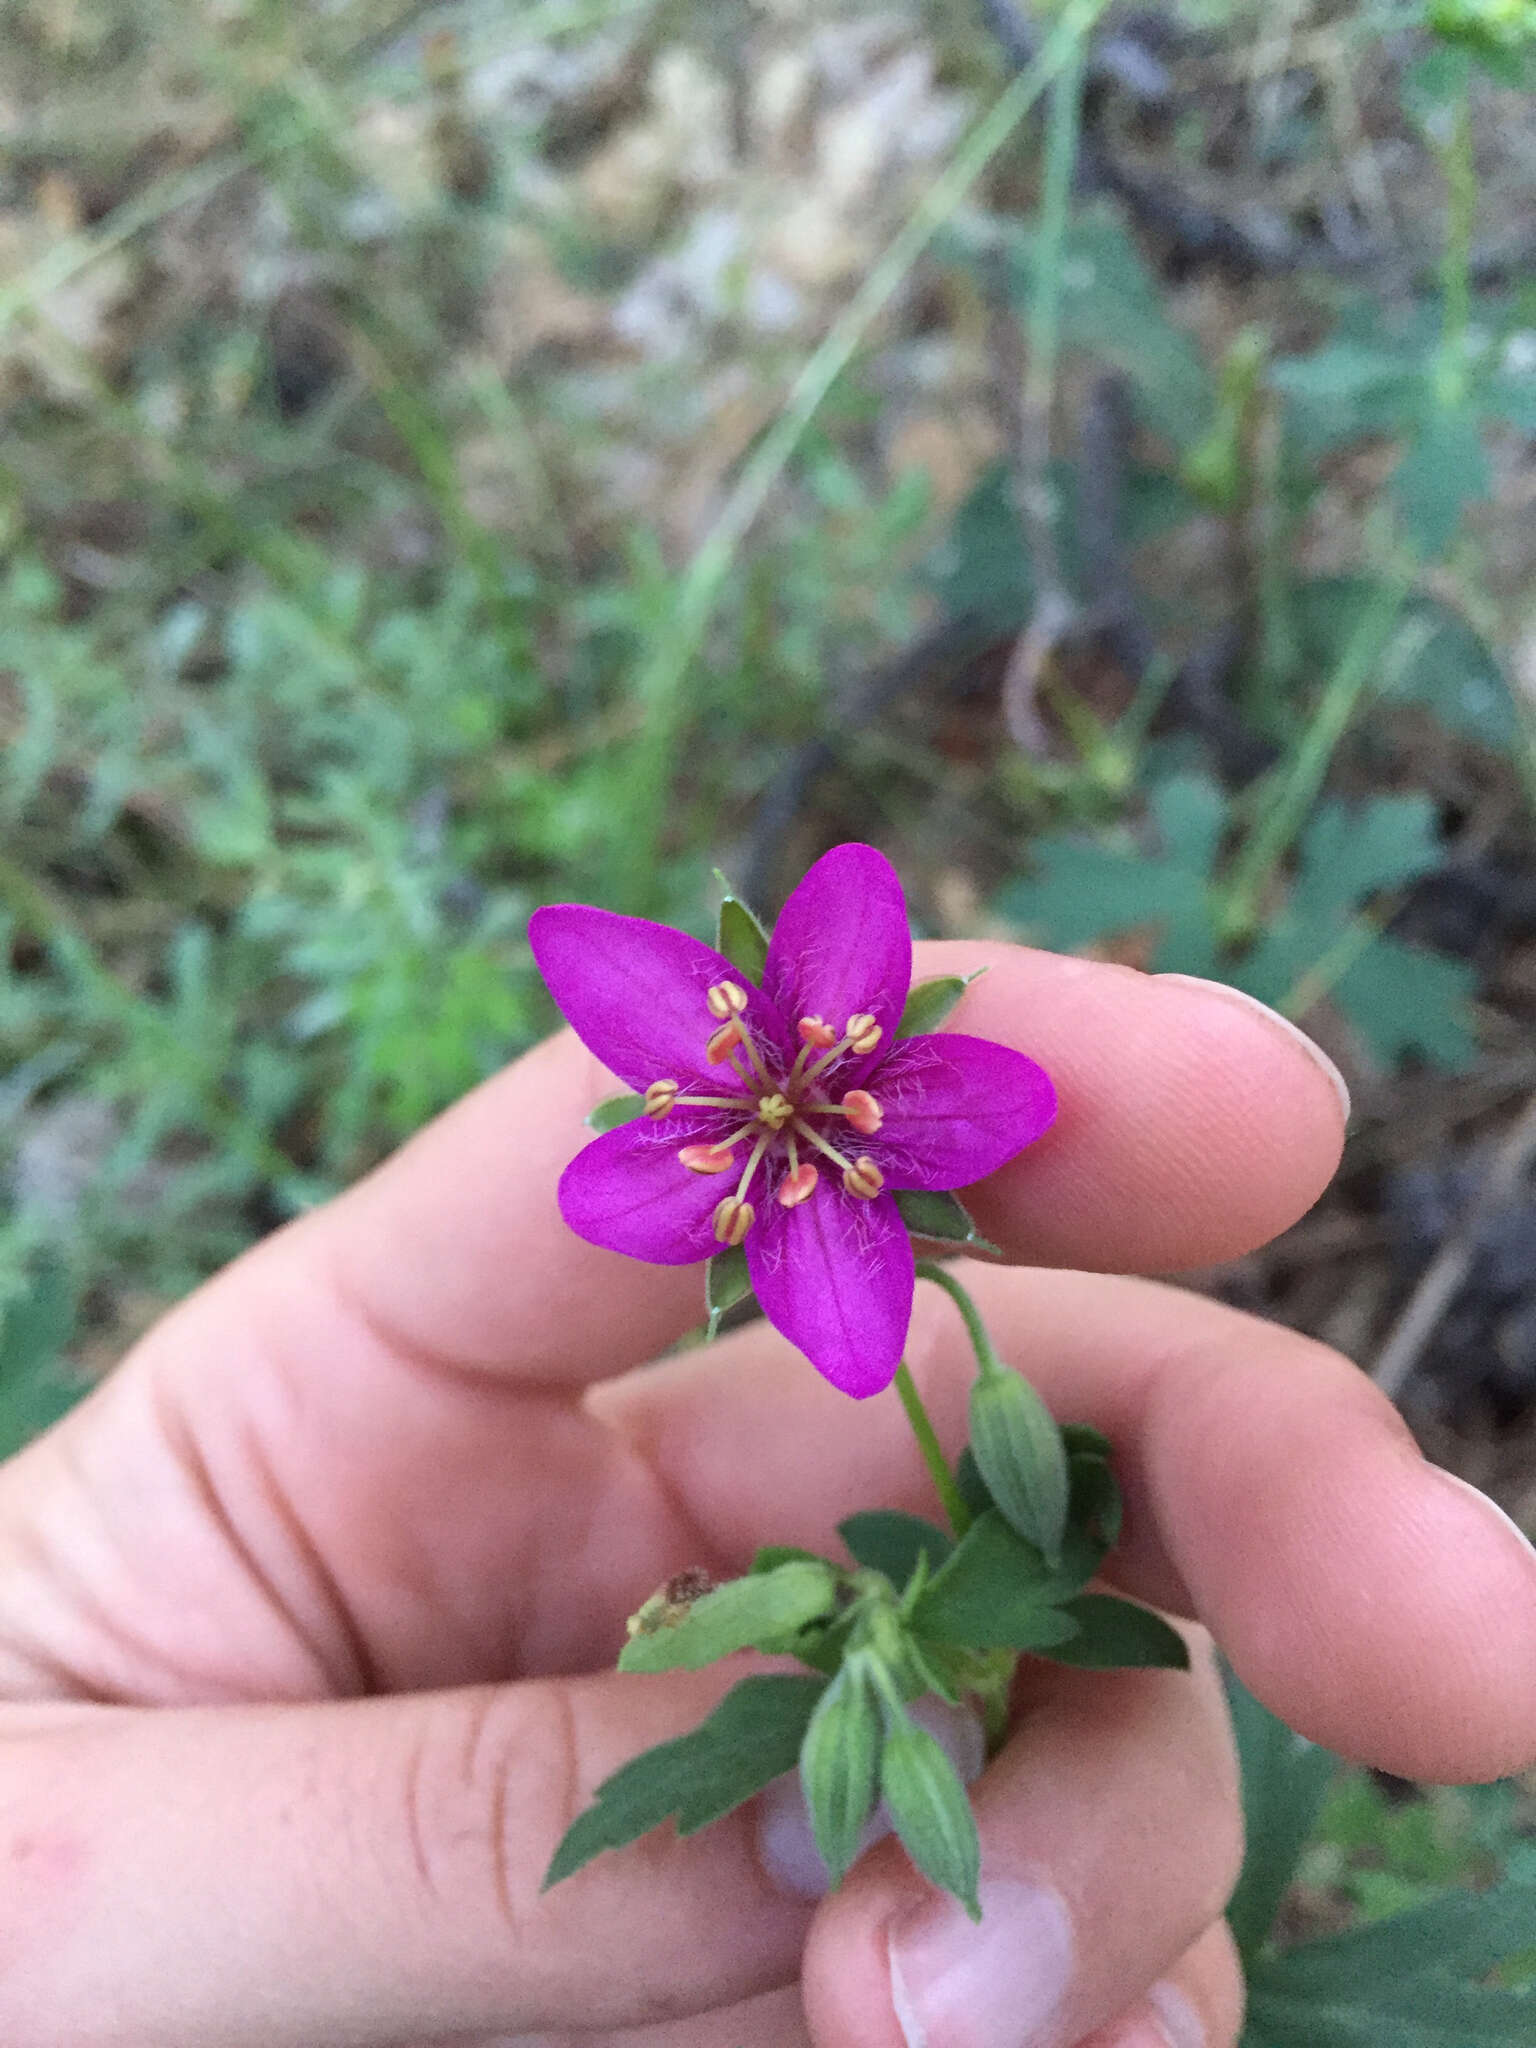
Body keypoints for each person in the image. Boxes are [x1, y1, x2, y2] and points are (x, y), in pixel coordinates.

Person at [1, 943, 1533, 2048]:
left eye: (810, 1090)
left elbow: (895, 1028)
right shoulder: (707, 1162)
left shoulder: (868, 1107)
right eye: (763, 1104)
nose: (785, 1112)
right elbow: (626, 1195)